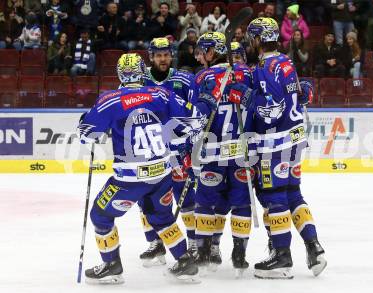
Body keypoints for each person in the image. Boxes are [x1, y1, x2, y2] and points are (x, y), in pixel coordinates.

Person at [78, 52, 217, 284]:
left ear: (120, 74)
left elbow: (87, 134)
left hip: (128, 181)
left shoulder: (110, 100)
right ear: (143, 71)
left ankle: (112, 265)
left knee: (100, 215)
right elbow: (195, 121)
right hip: (161, 174)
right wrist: (205, 101)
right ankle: (185, 261)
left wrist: (85, 120)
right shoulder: (161, 94)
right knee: (161, 216)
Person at [236, 17, 326, 279]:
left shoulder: (265, 67)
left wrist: (244, 95)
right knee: (293, 194)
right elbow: (298, 94)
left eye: (250, 40)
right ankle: (314, 248)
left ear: (257, 40)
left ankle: (282, 258)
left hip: (275, 145)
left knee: (274, 196)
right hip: (295, 140)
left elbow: (270, 109)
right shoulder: (286, 61)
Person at [187, 31, 254, 274]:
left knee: (205, 201)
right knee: (242, 203)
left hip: (212, 152)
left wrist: (189, 144)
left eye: (203, 51)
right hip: (240, 151)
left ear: (212, 52)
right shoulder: (246, 72)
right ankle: (239, 255)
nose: (200, 56)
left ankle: (204, 254)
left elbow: (197, 116)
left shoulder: (202, 76)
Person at [137, 37, 198, 267]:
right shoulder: (141, 81)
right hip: (151, 152)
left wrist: (190, 143)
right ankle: (155, 243)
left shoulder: (184, 80)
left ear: (171, 55)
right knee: (146, 200)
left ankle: (192, 244)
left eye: (166, 54)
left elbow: (194, 115)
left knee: (186, 198)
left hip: (179, 151)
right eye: (158, 55)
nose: (163, 58)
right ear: (151, 57)